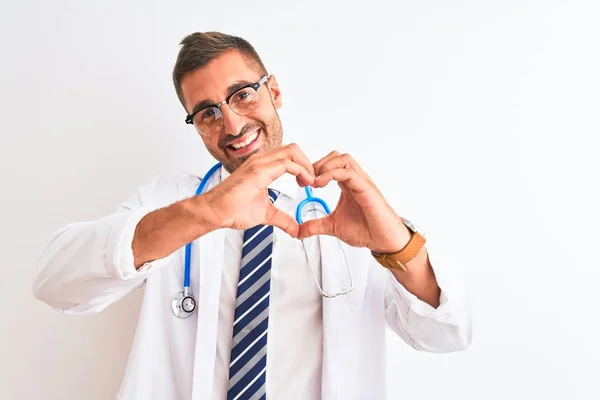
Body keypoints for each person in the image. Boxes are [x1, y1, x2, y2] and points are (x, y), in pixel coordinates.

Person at [33, 32, 471, 400]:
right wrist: (207, 211)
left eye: (242, 94)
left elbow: (447, 334)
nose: (232, 123)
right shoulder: (174, 201)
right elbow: (56, 283)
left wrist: (396, 244)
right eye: (207, 112)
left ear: (273, 91)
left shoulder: (343, 205)